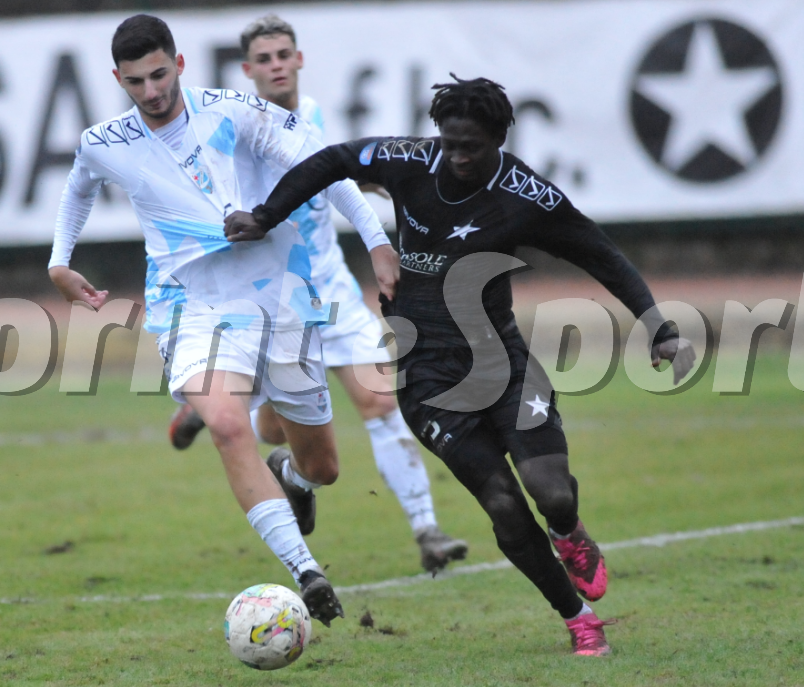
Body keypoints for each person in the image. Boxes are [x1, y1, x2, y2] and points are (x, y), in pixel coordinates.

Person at [224, 75, 697, 655]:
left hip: (502, 363)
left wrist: (659, 327)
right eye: (449, 142)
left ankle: (568, 531)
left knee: (551, 493)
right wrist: (268, 216)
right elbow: (332, 160)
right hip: (427, 381)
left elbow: (600, 253)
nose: (457, 156)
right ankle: (578, 619)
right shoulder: (411, 160)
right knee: (501, 501)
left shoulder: (527, 195)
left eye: (471, 145)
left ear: (499, 138)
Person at [47, 14, 400, 626]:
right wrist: (59, 261)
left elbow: (327, 164)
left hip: (282, 298)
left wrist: (376, 242)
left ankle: (289, 474)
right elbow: (78, 188)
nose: (152, 91)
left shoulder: (233, 112)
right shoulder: (104, 142)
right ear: (118, 79)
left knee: (323, 468)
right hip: (190, 306)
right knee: (229, 426)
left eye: (160, 74)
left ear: (179, 64)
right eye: (136, 82)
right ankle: (305, 571)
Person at [168, 14, 469, 574]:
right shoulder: (232, 132)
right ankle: (219, 413)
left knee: (381, 401)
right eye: (265, 58)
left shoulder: (312, 119)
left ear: (299, 59)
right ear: (248, 71)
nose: (277, 64)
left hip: (329, 289)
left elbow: (337, 177)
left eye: (285, 54)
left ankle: (427, 530)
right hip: (272, 304)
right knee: (275, 430)